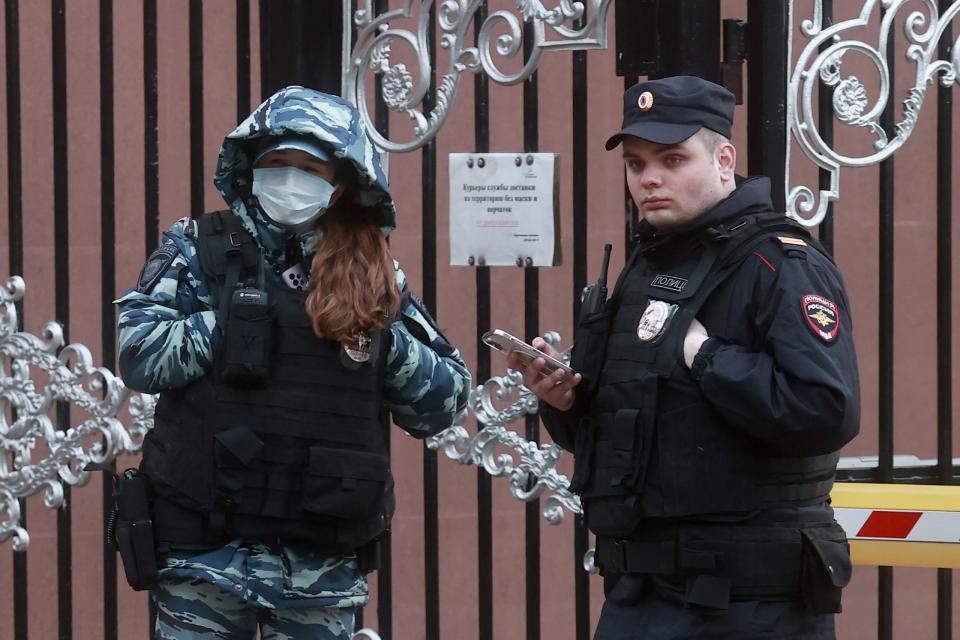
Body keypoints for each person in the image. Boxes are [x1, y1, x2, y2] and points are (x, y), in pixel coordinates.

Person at [509, 75, 859, 639]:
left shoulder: (780, 264)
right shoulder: (649, 267)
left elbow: (825, 412)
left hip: (748, 607)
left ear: (724, 159)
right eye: (635, 162)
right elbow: (630, 434)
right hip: (641, 597)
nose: (649, 178)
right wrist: (567, 401)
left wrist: (703, 352)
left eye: (673, 159)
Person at [116, 86, 470, 639]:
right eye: (276, 162)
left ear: (342, 183)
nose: (289, 177)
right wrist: (233, 325)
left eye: (309, 166)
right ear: (250, 168)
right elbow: (139, 356)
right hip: (203, 560)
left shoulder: (374, 274)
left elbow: (444, 402)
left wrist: (376, 340)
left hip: (319, 570)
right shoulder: (198, 250)